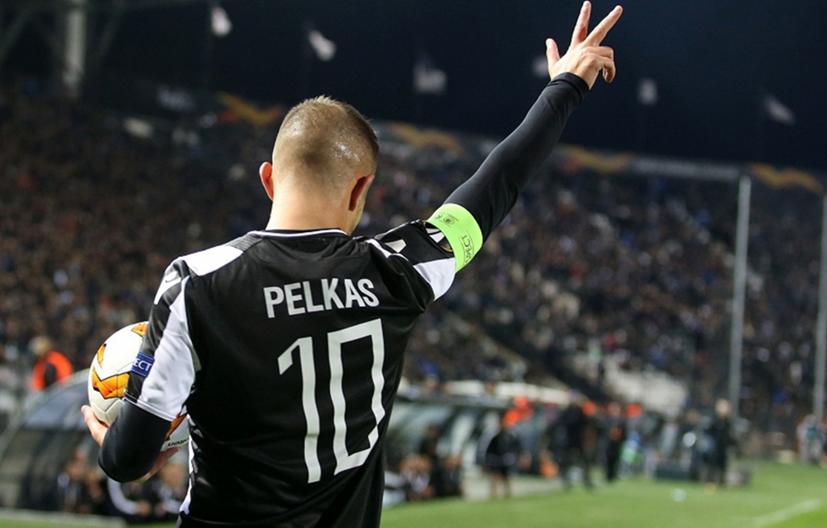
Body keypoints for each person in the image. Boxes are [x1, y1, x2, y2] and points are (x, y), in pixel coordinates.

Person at [80, 3, 624, 525]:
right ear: (362, 188)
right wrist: (564, 88)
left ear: (268, 178)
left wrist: (116, 448)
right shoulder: (398, 270)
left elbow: (129, 461)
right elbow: (495, 186)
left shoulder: (196, 285)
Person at [484, 418, 522, 499]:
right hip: (497, 461)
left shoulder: (510, 437)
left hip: (506, 461)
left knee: (506, 478)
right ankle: (493, 495)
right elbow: (489, 451)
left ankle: (507, 494)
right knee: (495, 478)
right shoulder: (495, 438)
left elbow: (516, 448)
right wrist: (488, 462)